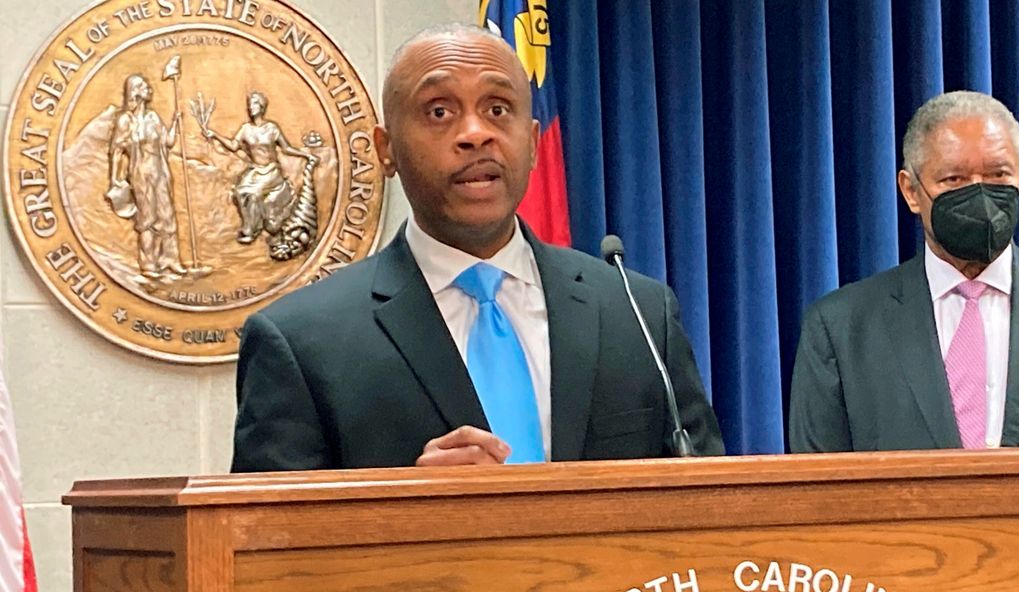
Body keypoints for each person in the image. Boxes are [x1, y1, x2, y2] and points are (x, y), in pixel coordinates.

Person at [231, 23, 722, 471]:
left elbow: (712, 514)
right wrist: (406, 512)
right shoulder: (300, 342)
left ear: (531, 143)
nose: (475, 134)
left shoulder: (637, 314)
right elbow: (266, 550)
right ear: (386, 150)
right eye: (439, 111)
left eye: (497, 109)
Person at [789, 91, 1019, 452]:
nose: (980, 196)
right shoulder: (840, 326)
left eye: (998, 175)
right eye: (954, 180)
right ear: (911, 191)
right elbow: (817, 493)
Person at [201, 91, 314, 245]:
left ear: (261, 107)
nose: (250, 107)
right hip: (255, 171)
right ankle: (250, 225)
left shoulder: (272, 128)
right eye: (249, 104)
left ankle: (251, 230)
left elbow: (286, 148)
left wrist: (306, 155)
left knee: (253, 193)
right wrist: (214, 135)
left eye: (254, 103)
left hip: (271, 171)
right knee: (240, 192)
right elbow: (234, 146)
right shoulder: (246, 129)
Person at [107, 74, 187, 280]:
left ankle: (170, 259)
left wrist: (176, 124)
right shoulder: (126, 120)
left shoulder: (153, 118)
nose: (149, 88)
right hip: (140, 174)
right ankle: (148, 262)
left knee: (167, 214)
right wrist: (115, 178)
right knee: (147, 218)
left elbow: (167, 142)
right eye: (144, 86)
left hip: (161, 172)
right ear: (134, 92)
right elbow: (116, 150)